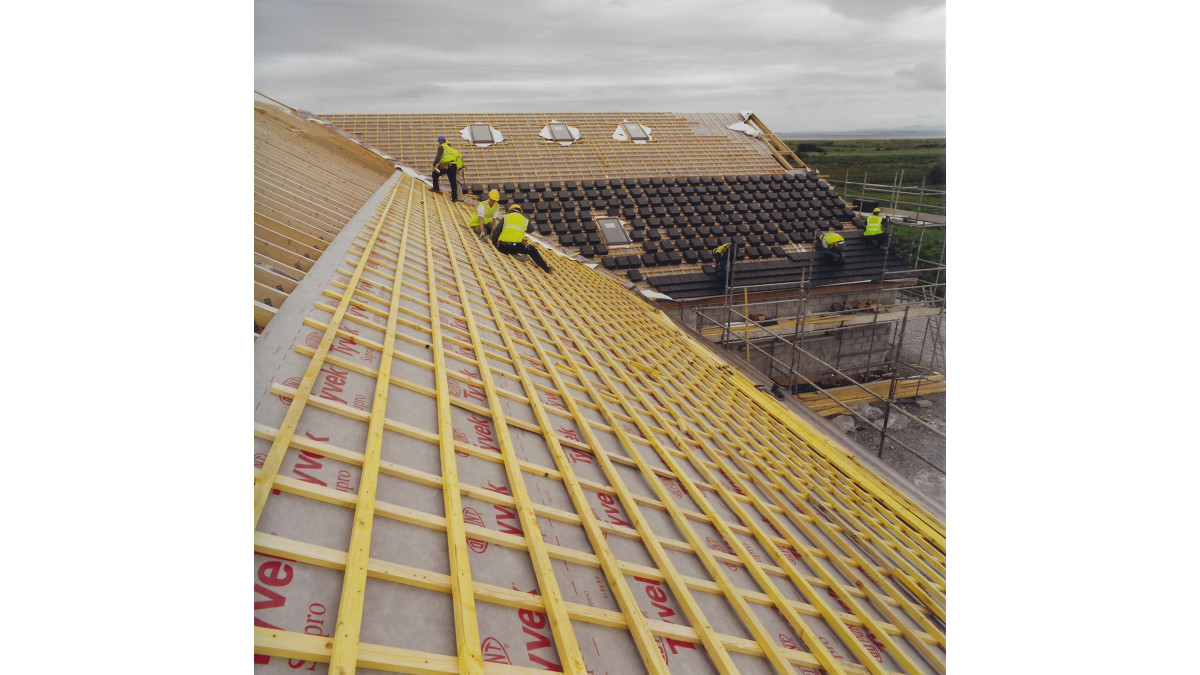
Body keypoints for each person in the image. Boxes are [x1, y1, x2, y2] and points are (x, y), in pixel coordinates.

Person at [490, 205, 553, 273]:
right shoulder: (524, 220)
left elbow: (496, 231)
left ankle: (515, 255)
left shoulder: (506, 217)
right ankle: (546, 269)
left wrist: (495, 244)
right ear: (520, 212)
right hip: (514, 248)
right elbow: (531, 229)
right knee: (531, 249)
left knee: (509, 243)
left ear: (509, 211)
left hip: (503, 247)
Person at [430, 135, 463, 201]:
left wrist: (434, 165)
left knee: (435, 173)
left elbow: (438, 157)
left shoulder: (441, 147)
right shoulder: (450, 148)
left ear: (439, 142)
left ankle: (436, 188)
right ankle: (454, 198)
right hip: (453, 165)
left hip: (447, 165)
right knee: (453, 182)